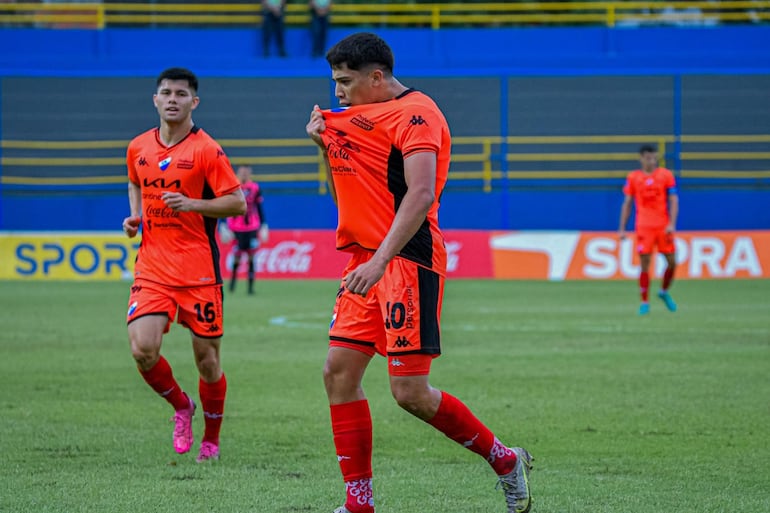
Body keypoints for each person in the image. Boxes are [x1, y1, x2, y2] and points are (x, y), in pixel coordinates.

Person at [305, 32, 533, 513]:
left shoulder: (418, 114)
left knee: (409, 392)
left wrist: (380, 261)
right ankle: (358, 503)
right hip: (365, 261)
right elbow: (343, 190)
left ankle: (506, 460)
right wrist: (324, 147)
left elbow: (422, 192)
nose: (338, 92)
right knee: (338, 373)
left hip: (407, 258)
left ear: (377, 76)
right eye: (334, 83)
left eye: (345, 82)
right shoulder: (353, 119)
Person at [122, 67, 246, 463]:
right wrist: (135, 216)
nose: (172, 99)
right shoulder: (138, 146)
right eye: (165, 93)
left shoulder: (207, 150)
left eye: (180, 93)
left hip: (199, 273)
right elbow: (135, 181)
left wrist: (193, 204)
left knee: (207, 362)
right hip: (153, 268)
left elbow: (237, 203)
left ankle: (211, 438)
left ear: (194, 101)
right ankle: (181, 406)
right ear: (154, 100)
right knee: (143, 348)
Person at [618, 144, 679, 315]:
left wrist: (672, 223)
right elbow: (627, 203)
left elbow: (674, 200)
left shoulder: (666, 175)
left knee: (672, 262)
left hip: (663, 226)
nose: (651, 161)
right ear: (641, 158)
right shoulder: (633, 178)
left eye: (654, 157)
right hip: (644, 227)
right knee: (645, 265)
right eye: (648, 157)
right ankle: (644, 302)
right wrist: (622, 228)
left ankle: (663, 291)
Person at [224, 165, 269, 295]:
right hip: (236, 228)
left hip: (252, 227)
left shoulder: (255, 187)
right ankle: (232, 285)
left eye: (246, 172)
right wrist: (223, 224)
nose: (244, 174)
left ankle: (250, 288)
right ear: (238, 173)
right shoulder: (233, 186)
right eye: (242, 172)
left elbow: (259, 207)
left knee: (251, 257)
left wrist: (264, 225)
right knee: (236, 256)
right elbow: (226, 204)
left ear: (249, 173)